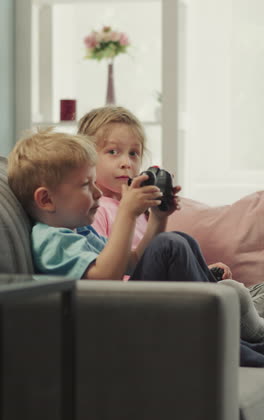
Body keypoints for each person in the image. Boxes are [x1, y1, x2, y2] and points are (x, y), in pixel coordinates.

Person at [7, 128, 264, 367]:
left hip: (123, 312)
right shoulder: (51, 241)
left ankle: (234, 334)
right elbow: (104, 280)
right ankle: (231, 344)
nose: (98, 193)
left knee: (180, 240)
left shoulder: (79, 231)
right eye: (86, 185)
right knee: (170, 245)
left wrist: (158, 218)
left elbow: (131, 261)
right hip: (111, 329)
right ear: (46, 199)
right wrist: (127, 215)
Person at [77, 105, 264, 317]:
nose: (126, 163)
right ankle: (234, 316)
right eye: (113, 152)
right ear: (87, 157)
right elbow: (109, 274)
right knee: (172, 243)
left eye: (134, 153)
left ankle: (230, 304)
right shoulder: (95, 210)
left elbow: (146, 259)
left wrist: (199, 270)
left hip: (157, 290)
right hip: (132, 300)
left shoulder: (136, 208)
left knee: (186, 242)